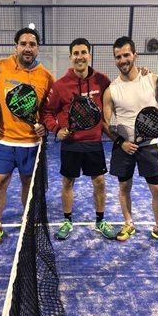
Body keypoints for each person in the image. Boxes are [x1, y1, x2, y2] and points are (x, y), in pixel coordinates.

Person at [101, 36, 158, 247]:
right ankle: (128, 223)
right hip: (124, 147)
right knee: (124, 186)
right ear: (114, 59)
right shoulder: (111, 90)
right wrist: (121, 143)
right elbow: (105, 124)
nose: (123, 60)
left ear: (135, 55)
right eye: (118, 57)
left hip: (149, 145)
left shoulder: (152, 79)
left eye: (126, 55)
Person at [0, 27, 54, 246]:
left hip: (31, 142)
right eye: (23, 44)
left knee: (28, 184)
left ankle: (27, 222)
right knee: (0, 182)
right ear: (16, 46)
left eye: (32, 44)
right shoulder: (0, 68)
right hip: (4, 140)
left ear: (37, 48)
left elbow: (49, 110)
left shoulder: (46, 76)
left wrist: (45, 125)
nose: (27, 48)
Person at [42, 38, 114, 240]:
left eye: (83, 52)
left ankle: (100, 220)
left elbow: (120, 90)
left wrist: (143, 74)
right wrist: (56, 129)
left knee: (99, 182)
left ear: (89, 55)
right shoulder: (60, 86)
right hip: (70, 144)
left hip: (93, 142)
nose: (80, 57)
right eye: (76, 53)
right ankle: (67, 220)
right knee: (68, 182)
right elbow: (47, 111)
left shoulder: (102, 80)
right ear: (70, 57)